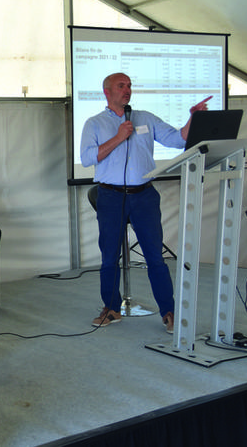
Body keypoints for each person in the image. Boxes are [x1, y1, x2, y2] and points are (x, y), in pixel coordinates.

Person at [80, 72, 211, 333]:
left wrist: (194, 117)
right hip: (110, 196)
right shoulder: (93, 123)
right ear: (107, 92)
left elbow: (179, 138)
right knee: (109, 258)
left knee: (155, 257)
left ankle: (169, 312)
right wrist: (119, 137)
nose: (127, 90)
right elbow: (87, 159)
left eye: (129, 85)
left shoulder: (146, 118)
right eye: (121, 86)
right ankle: (111, 308)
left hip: (144, 196)